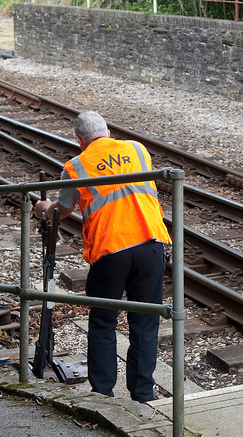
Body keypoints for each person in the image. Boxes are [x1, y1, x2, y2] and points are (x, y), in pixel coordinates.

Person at [33, 111, 171, 403]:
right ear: (107, 132)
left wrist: (42, 207)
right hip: (151, 242)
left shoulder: (77, 165)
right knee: (145, 322)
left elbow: (61, 211)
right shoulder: (137, 149)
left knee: (103, 321)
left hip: (112, 249)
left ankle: (103, 394)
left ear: (80, 140)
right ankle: (144, 394)